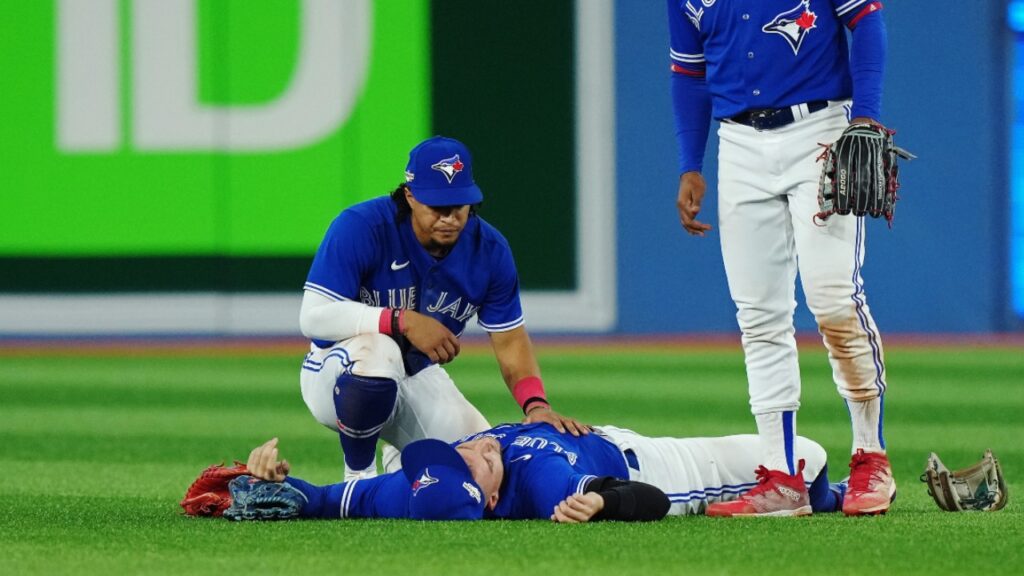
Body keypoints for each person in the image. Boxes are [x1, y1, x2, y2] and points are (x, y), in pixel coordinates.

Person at [665, 0, 894, 516]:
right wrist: (689, 163)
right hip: (738, 142)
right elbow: (689, 72)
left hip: (820, 130)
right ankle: (781, 477)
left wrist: (866, 116)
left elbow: (867, 21)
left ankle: (871, 458)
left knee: (833, 299)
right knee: (758, 315)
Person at [299, 135, 587, 482]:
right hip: (336, 373)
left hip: (416, 375)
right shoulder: (362, 226)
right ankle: (358, 476)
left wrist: (536, 404)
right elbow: (313, 317)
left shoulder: (489, 250)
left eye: (458, 205)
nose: (449, 217)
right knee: (378, 350)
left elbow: (510, 340)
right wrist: (401, 320)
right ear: (410, 196)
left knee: (484, 469)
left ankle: (402, 463)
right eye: (437, 206)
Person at [224, 422, 848, 523]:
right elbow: (652, 501)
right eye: (471, 465)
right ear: (490, 500)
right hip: (663, 467)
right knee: (805, 452)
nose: (469, 449)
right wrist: (603, 503)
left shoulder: (417, 487)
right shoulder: (541, 485)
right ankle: (834, 498)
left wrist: (272, 478)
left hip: (604, 435)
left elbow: (326, 499)